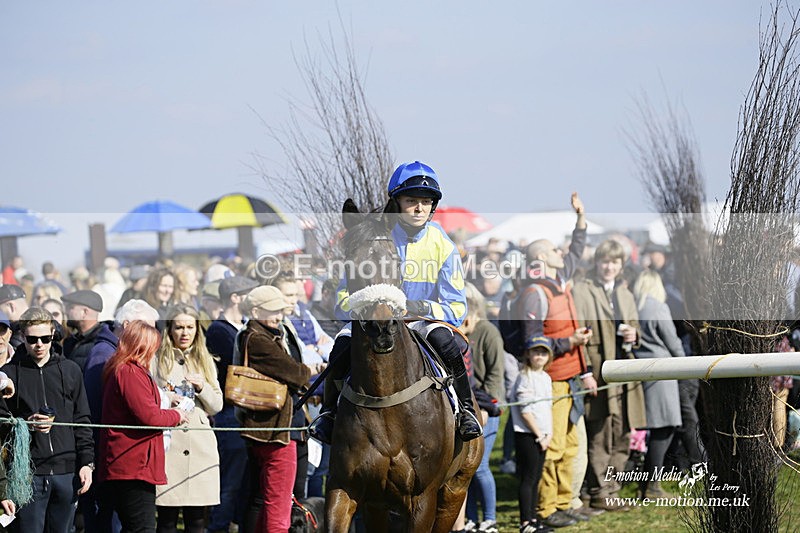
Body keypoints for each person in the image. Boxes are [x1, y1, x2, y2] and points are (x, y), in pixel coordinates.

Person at [311, 160, 482, 444]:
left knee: (446, 343)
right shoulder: (373, 237)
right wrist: (364, 305)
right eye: (411, 200)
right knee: (341, 346)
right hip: (371, 319)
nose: (418, 208)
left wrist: (418, 308)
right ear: (396, 203)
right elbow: (341, 297)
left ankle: (465, 410)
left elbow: (456, 308)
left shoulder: (444, 246)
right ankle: (328, 415)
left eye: (425, 202)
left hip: (423, 323)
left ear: (433, 207)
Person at [508, 193, 596, 528]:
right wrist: (568, 342)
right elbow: (534, 343)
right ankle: (545, 509)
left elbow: (576, 249)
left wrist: (581, 218)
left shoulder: (558, 279)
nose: (562, 254)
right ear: (543, 258)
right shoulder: (534, 293)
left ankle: (563, 501)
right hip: (553, 379)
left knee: (571, 444)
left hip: (572, 375)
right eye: (554, 251)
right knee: (554, 445)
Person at [2, 307, 95, 533]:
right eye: (33, 339)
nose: (39, 344)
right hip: (27, 474)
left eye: (46, 338)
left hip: (66, 471)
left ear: (53, 335)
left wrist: (87, 463)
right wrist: (26, 424)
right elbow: (2, 424)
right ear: (22, 337)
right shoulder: (9, 374)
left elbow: (82, 419)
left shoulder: (71, 370)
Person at [572, 238, 646, 511]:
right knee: (600, 432)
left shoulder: (626, 294)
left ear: (621, 265)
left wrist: (634, 334)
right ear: (597, 262)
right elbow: (579, 334)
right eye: (605, 261)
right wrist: (585, 372)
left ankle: (612, 488)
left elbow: (636, 329)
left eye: (615, 262)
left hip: (625, 371)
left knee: (624, 430)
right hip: (599, 371)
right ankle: (598, 489)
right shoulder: (582, 290)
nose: (609, 267)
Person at [238, 286, 319, 532]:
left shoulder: (261, 335)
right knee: (279, 507)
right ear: (254, 311)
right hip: (278, 434)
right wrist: (312, 369)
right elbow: (295, 373)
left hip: (268, 431)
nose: (279, 316)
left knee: (266, 502)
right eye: (273, 311)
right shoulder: (257, 339)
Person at [98, 321, 188, 533]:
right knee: (142, 528)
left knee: (134, 526)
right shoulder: (129, 372)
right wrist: (176, 415)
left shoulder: (126, 370)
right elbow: (149, 416)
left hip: (133, 463)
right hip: (132, 466)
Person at [82, 299, 161, 533]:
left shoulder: (120, 358)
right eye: (145, 326)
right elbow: (97, 410)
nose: (151, 333)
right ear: (127, 325)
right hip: (120, 457)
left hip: (123, 457)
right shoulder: (109, 358)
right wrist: (174, 415)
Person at [152, 305, 223, 533]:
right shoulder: (157, 360)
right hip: (169, 447)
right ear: (170, 330)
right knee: (166, 519)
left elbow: (217, 406)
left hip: (201, 448)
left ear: (197, 329)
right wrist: (166, 397)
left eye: (190, 327)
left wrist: (202, 387)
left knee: (197, 521)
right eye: (179, 327)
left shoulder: (206, 360)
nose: (185, 333)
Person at [205, 276, 259, 533]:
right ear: (236, 298)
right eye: (249, 295)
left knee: (248, 484)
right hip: (230, 415)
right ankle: (218, 528)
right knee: (231, 484)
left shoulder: (246, 327)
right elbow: (245, 364)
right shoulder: (219, 330)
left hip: (249, 415)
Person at [631, 270, 684, 497]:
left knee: (652, 426)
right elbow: (671, 339)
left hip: (638, 369)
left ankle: (646, 481)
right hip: (662, 371)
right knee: (664, 427)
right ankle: (653, 485)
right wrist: (685, 363)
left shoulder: (634, 305)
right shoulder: (657, 306)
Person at [461, 283, 503, 533]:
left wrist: (486, 408)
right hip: (467, 409)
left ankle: (490, 518)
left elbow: (495, 376)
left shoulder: (488, 332)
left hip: (487, 408)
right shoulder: (456, 332)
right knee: (467, 469)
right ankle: (471, 519)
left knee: (482, 466)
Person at [512, 337, 556, 533]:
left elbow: (547, 408)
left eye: (543, 352)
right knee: (528, 479)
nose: (539, 356)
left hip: (543, 436)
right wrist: (539, 435)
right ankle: (525, 523)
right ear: (528, 354)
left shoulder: (546, 378)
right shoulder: (524, 377)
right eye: (536, 352)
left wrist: (549, 433)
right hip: (528, 435)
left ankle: (534, 518)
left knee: (537, 478)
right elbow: (525, 410)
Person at [61, 289, 104, 371]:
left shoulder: (100, 344)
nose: (66, 312)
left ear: (84, 312)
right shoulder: (71, 341)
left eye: (71, 307)